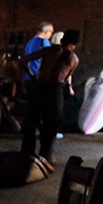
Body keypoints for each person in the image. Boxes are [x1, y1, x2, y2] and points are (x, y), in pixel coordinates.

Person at [19, 29, 81, 166]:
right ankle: (45, 156)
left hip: (39, 87)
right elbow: (65, 78)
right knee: (51, 124)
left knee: (31, 121)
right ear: (75, 43)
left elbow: (23, 61)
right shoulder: (74, 59)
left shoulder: (48, 51)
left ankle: (27, 154)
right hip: (55, 90)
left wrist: (32, 75)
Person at [23, 21, 54, 100]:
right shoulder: (43, 42)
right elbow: (49, 58)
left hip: (27, 77)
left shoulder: (29, 43)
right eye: (51, 33)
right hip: (39, 77)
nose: (51, 36)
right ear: (47, 32)